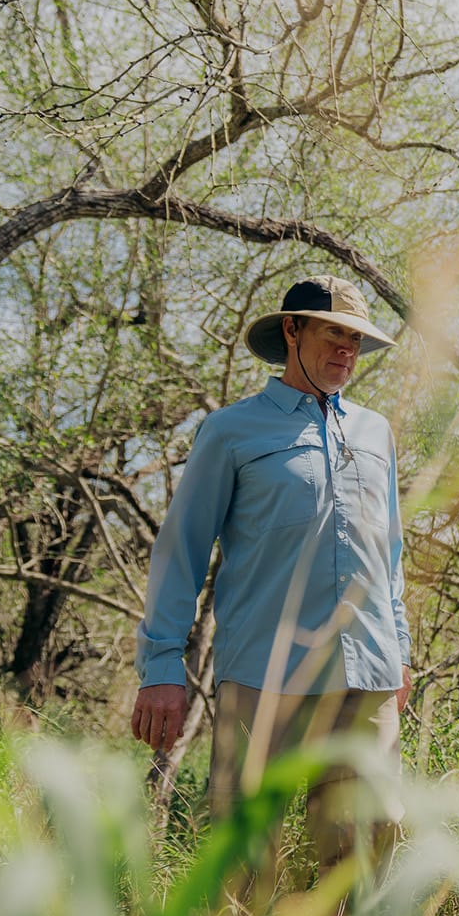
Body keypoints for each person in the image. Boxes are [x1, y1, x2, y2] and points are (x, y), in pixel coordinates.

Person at [131, 274, 411, 879]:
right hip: (264, 675)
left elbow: (388, 556)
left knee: (373, 837)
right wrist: (160, 669)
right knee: (244, 855)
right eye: (333, 332)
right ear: (292, 329)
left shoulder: (375, 433)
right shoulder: (231, 431)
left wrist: (401, 653)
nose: (346, 350)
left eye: (356, 339)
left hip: (367, 674)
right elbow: (179, 553)